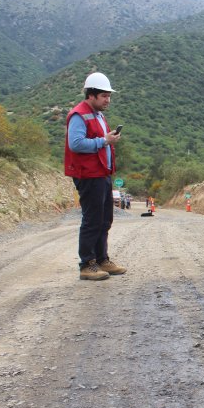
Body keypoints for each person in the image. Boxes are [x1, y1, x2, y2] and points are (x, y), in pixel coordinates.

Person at [64, 72, 126, 281]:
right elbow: (76, 143)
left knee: (104, 219)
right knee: (92, 220)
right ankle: (87, 263)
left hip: (101, 173)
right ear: (91, 95)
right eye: (104, 96)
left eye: (109, 96)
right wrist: (104, 141)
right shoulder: (78, 115)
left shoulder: (98, 115)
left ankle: (101, 259)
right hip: (88, 175)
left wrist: (108, 140)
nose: (108, 100)